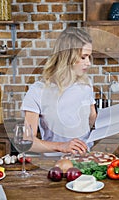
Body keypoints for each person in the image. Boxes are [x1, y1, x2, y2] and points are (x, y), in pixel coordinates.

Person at [21, 27, 97, 155]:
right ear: (67, 57)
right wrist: (62, 146)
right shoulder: (38, 91)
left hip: (85, 160)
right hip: (54, 163)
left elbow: (92, 118)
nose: (88, 63)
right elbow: (28, 142)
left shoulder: (86, 84)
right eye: (83, 57)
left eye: (89, 57)